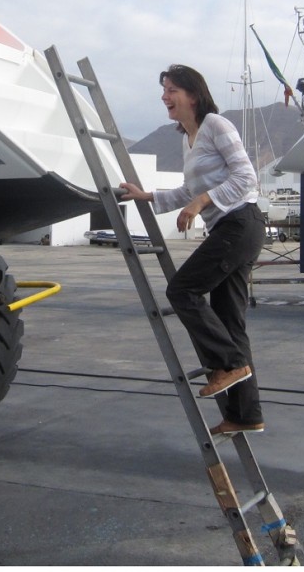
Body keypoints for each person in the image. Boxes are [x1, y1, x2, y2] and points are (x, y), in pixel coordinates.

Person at [120, 64, 266, 436]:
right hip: (230, 228)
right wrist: (148, 196)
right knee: (230, 322)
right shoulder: (188, 139)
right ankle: (246, 415)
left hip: (240, 223)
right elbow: (189, 191)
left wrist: (202, 201)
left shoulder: (216, 124)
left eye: (171, 90)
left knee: (182, 290)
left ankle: (230, 363)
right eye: (164, 90)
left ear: (193, 95)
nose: (164, 97)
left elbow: (247, 177)